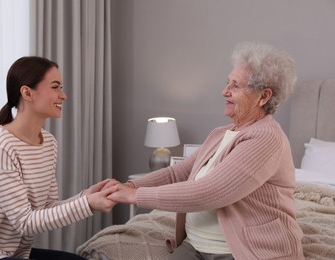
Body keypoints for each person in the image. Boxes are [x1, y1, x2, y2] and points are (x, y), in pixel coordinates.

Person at [108, 42, 305, 260]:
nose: (224, 91)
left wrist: (136, 196)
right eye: (227, 82)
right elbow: (178, 173)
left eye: (236, 86)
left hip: (244, 251)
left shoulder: (266, 137)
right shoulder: (221, 134)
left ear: (263, 96)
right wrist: (130, 185)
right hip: (194, 246)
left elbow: (210, 192)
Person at [0, 56, 118, 260]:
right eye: (55, 87)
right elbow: (24, 221)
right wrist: (87, 204)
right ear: (27, 92)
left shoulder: (48, 142)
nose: (63, 96)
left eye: (61, 87)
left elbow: (47, 208)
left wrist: (84, 196)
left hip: (15, 253)